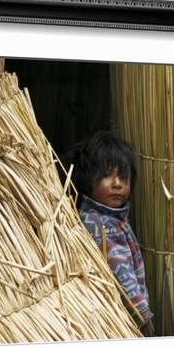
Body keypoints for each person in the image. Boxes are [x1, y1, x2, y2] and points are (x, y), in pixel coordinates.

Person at [64, 131, 154, 337]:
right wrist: (142, 316)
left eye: (123, 177)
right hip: (122, 314)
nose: (117, 184)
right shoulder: (103, 225)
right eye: (107, 176)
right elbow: (122, 274)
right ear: (88, 180)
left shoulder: (106, 217)